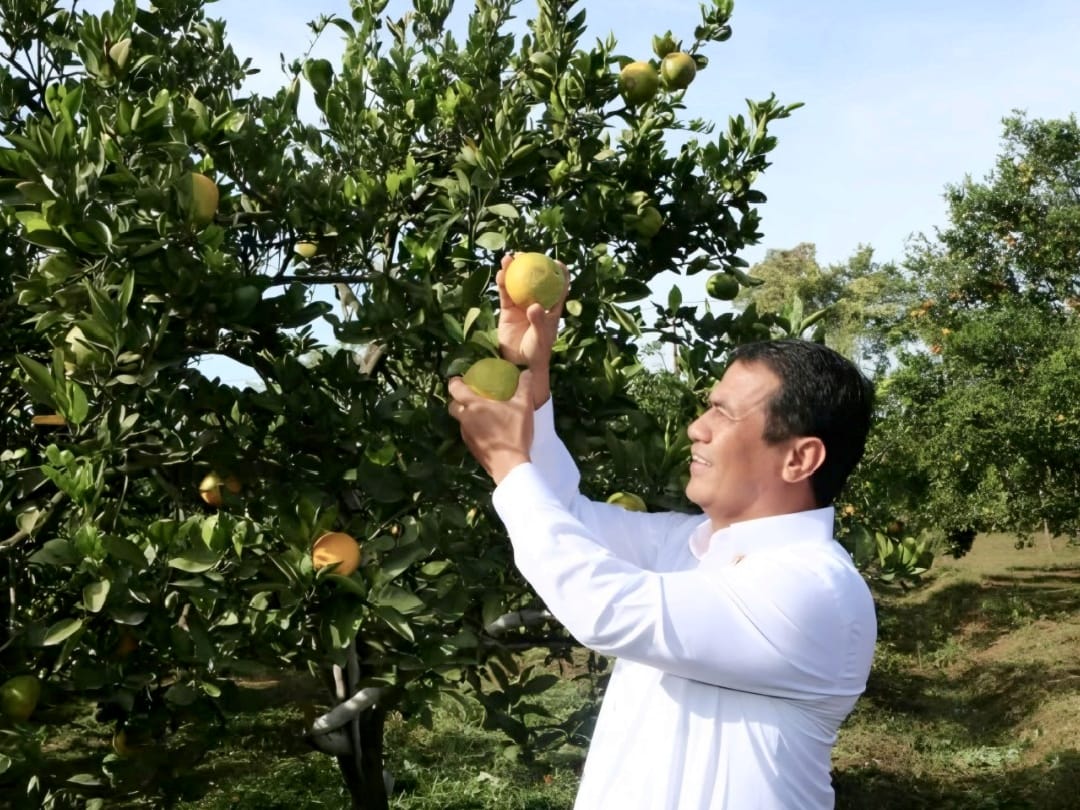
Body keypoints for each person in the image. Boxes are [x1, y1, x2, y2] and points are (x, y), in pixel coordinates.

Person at [447, 254, 878, 809]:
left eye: (723, 414)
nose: (697, 428)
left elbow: (604, 606)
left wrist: (509, 463)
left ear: (799, 459)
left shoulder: (815, 590)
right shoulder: (690, 547)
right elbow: (563, 518)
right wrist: (526, 375)